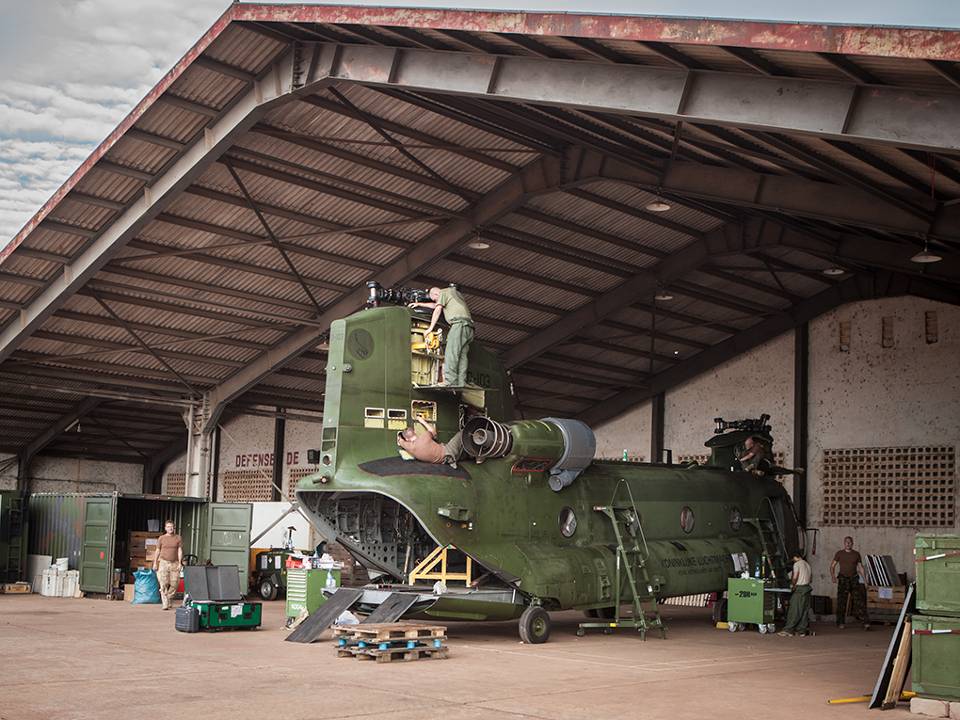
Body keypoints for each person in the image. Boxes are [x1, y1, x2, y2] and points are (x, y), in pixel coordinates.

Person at [409, 285, 474, 387]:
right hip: (469, 327)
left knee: (451, 353)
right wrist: (419, 304)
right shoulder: (453, 294)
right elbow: (436, 305)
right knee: (462, 356)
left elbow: (437, 309)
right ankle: (462, 382)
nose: (436, 301)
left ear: (436, 294)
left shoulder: (443, 292)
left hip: (458, 325)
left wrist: (430, 328)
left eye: (435, 299)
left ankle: (450, 381)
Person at [830, 536, 870, 629]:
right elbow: (832, 566)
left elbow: (860, 568)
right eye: (846, 542)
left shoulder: (856, 554)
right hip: (843, 579)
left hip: (854, 579)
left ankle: (865, 622)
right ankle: (840, 622)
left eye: (850, 542)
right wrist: (833, 576)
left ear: (852, 543)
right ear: (844, 543)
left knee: (859, 601)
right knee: (841, 601)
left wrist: (865, 581)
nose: (848, 544)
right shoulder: (839, 553)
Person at [397, 417, 463, 467]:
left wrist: (401, 437)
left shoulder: (409, 447)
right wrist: (422, 421)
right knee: (462, 433)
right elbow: (433, 432)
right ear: (414, 432)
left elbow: (400, 441)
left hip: (444, 461)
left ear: (407, 439)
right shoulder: (424, 437)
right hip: (448, 451)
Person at [779, 552, 813, 637]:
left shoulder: (797, 564)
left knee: (794, 610)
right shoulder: (807, 565)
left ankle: (788, 630)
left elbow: (795, 577)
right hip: (807, 589)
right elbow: (810, 579)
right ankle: (801, 631)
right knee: (804, 612)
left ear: (795, 557)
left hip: (800, 590)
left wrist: (792, 585)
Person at [153, 520, 183, 611]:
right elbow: (157, 550)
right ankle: (165, 603)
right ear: (165, 528)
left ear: (174, 528)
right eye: (168, 527)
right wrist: (155, 563)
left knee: (175, 583)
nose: (170, 528)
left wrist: (180, 563)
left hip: (175, 563)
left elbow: (179, 550)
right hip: (163, 562)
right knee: (163, 583)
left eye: (172, 526)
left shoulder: (178, 538)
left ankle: (169, 598)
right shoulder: (161, 538)